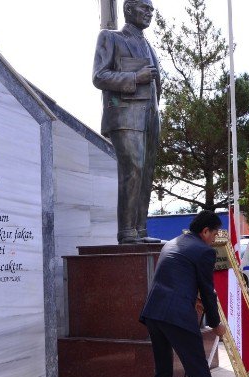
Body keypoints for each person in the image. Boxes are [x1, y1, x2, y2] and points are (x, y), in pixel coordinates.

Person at [140, 210, 243, 377]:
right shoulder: (204, 251)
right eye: (215, 233)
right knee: (200, 372)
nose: (216, 239)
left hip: (154, 312)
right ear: (205, 231)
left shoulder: (173, 242)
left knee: (163, 370)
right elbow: (207, 292)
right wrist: (216, 324)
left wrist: (190, 298)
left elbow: (176, 278)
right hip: (177, 316)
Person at [92, 0, 161, 244]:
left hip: (150, 118)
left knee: (146, 173)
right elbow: (99, 76)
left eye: (151, 10)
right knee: (133, 169)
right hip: (124, 115)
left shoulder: (148, 45)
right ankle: (127, 233)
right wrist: (135, 77)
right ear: (128, 9)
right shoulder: (111, 38)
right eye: (145, 8)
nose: (149, 13)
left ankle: (140, 230)